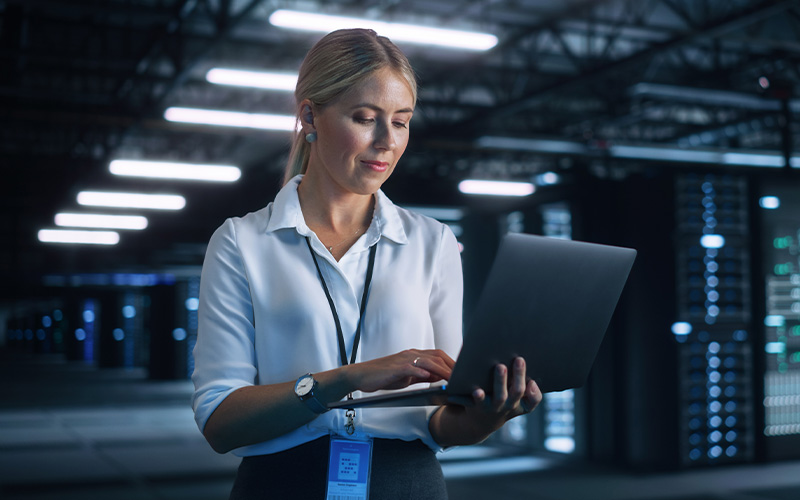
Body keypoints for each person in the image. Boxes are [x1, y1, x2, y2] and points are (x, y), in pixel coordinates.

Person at [191, 28, 542, 499]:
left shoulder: (432, 242)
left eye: (400, 122)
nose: (386, 141)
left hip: (408, 484)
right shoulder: (242, 242)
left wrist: (487, 413)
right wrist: (348, 379)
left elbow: (443, 419)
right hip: (281, 485)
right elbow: (219, 422)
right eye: (365, 118)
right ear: (310, 116)